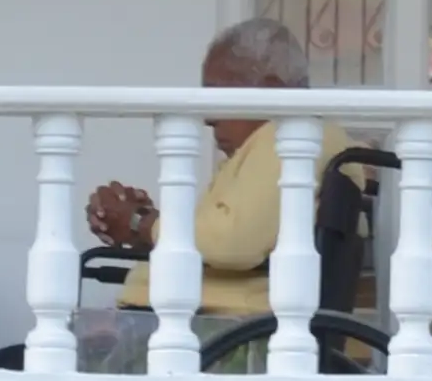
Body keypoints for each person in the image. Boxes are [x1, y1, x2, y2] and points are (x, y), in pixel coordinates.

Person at [90, 18, 316, 320]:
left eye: (217, 95)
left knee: (15, 359)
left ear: (272, 90)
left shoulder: (293, 139)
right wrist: (147, 229)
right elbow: (224, 238)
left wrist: (140, 221)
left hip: (217, 333)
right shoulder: (267, 147)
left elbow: (235, 242)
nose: (208, 118)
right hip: (180, 323)